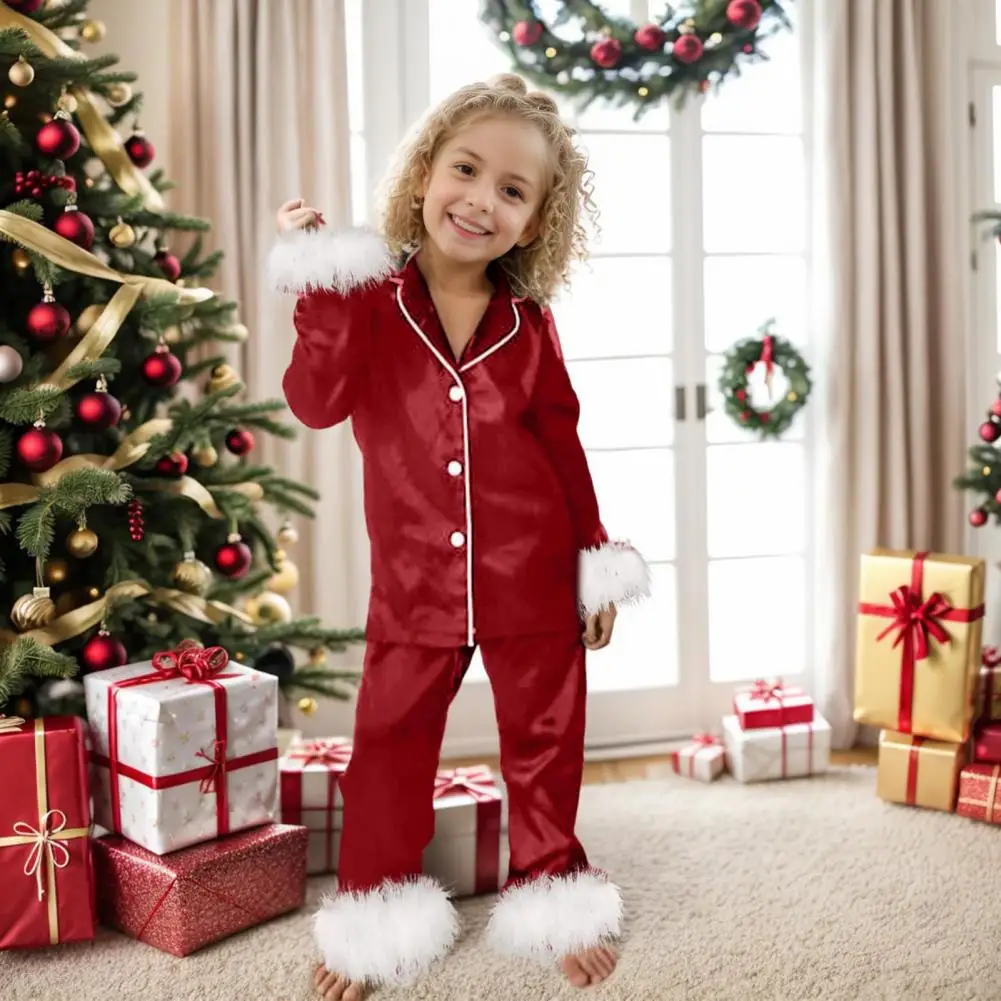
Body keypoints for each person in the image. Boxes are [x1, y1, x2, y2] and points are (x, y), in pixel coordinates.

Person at [266, 73, 651, 1001]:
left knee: (546, 741)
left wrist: (592, 562)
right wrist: (316, 288)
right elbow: (314, 402)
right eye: (466, 170)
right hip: (414, 585)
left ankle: (554, 893)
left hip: (533, 569)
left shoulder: (529, 324)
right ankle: (374, 919)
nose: (481, 199)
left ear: (536, 220)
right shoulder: (365, 301)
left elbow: (561, 443)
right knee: (388, 747)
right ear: (424, 172)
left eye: (513, 191)